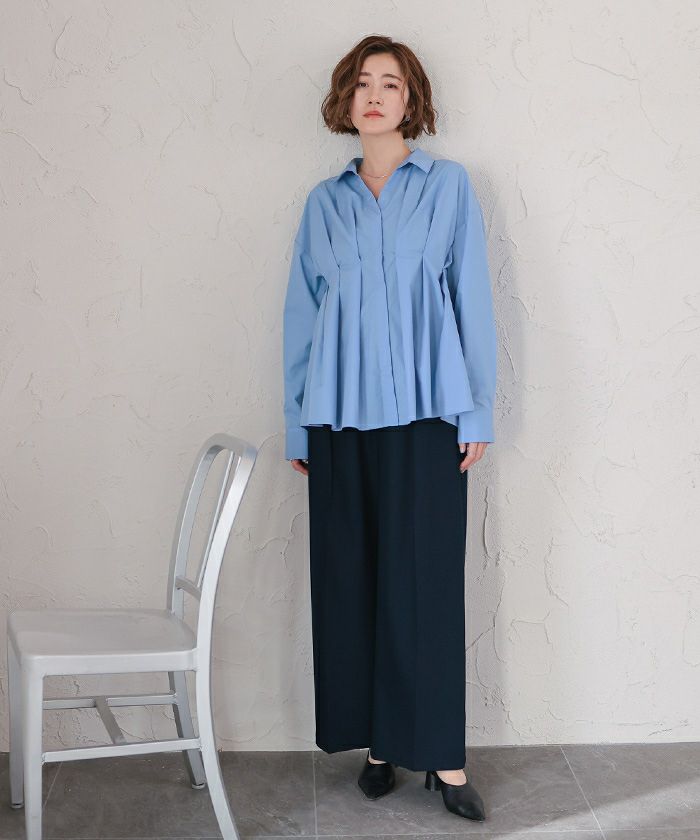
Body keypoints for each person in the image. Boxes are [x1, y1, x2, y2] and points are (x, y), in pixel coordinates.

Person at [282, 34, 497, 822]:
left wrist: (477, 410)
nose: (375, 96)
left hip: (428, 417)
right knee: (354, 583)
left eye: (391, 84)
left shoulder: (448, 188)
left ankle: (443, 758)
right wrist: (299, 424)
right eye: (362, 84)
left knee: (426, 588)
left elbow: (472, 298)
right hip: (339, 420)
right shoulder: (323, 203)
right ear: (345, 101)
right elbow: (301, 318)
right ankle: (378, 745)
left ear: (412, 102)